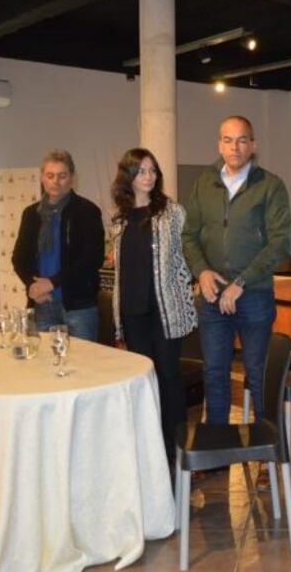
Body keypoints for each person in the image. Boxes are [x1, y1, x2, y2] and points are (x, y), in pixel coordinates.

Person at [181, 115, 291, 424]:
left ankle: (266, 455)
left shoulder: (271, 186)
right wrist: (201, 271)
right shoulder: (205, 183)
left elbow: (281, 244)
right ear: (219, 144)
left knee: (258, 376)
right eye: (228, 140)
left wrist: (241, 281)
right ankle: (217, 448)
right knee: (214, 373)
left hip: (253, 296)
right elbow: (189, 236)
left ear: (253, 145)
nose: (235, 146)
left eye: (242, 139)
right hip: (212, 297)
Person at [111, 148, 197, 461]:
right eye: (141, 171)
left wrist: (181, 287)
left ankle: (175, 447)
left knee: (169, 375)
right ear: (128, 177)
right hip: (133, 310)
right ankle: (148, 447)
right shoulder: (119, 220)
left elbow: (185, 255)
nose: (148, 177)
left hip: (165, 309)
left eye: (152, 170)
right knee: (143, 379)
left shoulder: (172, 213)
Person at [13, 150, 104, 340]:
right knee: (44, 364)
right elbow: (19, 258)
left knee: (85, 365)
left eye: (62, 176)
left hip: (78, 306)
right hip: (41, 302)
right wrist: (33, 285)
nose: (56, 181)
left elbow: (92, 259)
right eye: (50, 175)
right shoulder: (31, 214)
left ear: (72, 178)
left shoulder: (87, 211)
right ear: (42, 178)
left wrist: (52, 282)